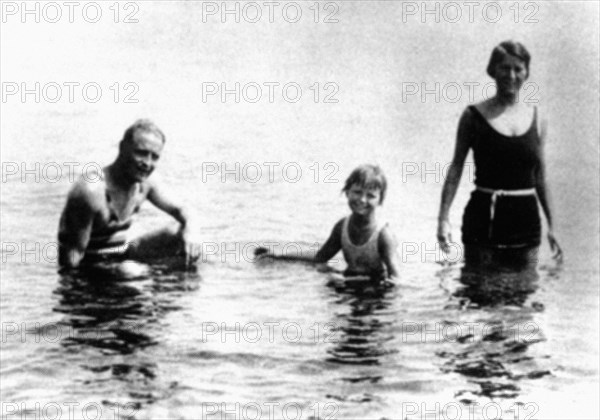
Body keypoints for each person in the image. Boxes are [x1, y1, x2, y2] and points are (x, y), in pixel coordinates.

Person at [437, 41, 562, 268]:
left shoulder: (538, 118)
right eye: (504, 67)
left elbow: (541, 177)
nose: (511, 75)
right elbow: (455, 169)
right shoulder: (472, 116)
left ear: (526, 73)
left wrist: (554, 226)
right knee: (479, 295)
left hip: (527, 221)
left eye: (518, 69)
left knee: (526, 294)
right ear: (492, 70)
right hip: (484, 217)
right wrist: (443, 219)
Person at [58, 119, 198, 269]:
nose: (147, 163)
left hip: (120, 254)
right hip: (92, 266)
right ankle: (152, 283)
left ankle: (172, 287)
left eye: (154, 157)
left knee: (184, 237)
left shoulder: (147, 182)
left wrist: (192, 232)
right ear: (122, 148)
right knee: (131, 270)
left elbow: (183, 209)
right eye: (141, 153)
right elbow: (70, 260)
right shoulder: (90, 191)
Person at [256, 164, 400, 280]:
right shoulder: (342, 227)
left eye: (370, 196)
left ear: (380, 200)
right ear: (347, 192)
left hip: (375, 290)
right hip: (348, 282)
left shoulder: (383, 235)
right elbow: (320, 256)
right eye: (357, 192)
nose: (362, 200)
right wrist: (278, 254)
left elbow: (396, 279)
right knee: (319, 273)